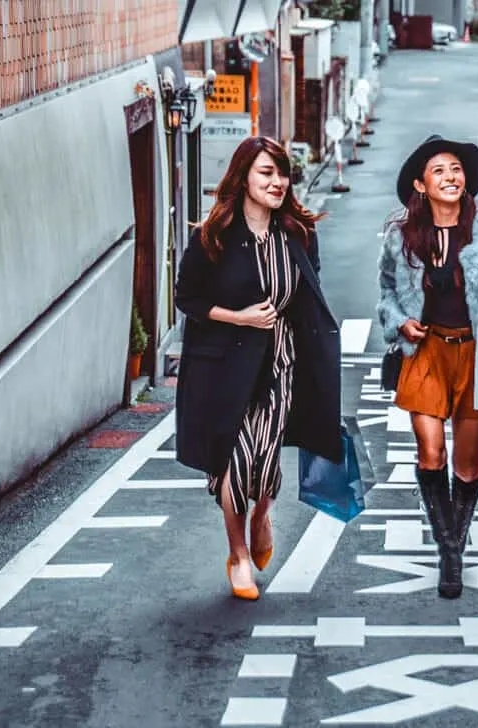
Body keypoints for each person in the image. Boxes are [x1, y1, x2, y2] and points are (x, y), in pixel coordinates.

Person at [175, 136, 342, 601]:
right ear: (243, 176)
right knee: (233, 461)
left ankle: (262, 514)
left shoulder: (299, 235)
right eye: (266, 172)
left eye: (282, 173)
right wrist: (239, 317)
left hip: (280, 363)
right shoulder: (213, 236)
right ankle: (238, 554)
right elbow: (187, 298)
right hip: (224, 366)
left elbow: (310, 295)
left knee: (263, 461)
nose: (277, 182)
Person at [377, 134, 478, 599]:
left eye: (456, 169)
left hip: (477, 353)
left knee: (467, 466)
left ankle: (453, 539)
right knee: (431, 454)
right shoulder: (401, 237)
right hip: (426, 350)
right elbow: (386, 295)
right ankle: (451, 551)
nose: (450, 177)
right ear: (420, 184)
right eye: (439, 171)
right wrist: (400, 322)